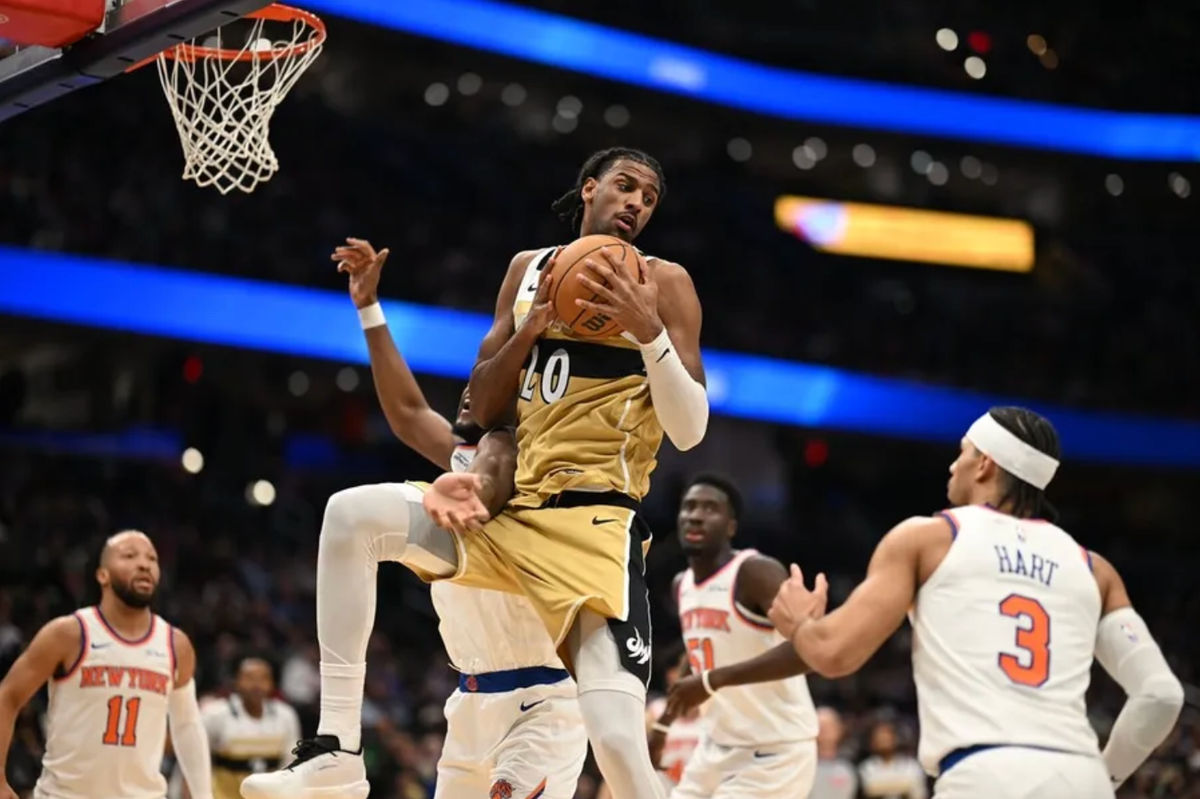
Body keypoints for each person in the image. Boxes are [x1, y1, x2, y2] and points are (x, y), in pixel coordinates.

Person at [242, 146, 707, 799]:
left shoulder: (667, 283)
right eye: (625, 186)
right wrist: (530, 331)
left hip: (595, 523)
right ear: (590, 189)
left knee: (622, 746)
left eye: (649, 198)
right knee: (350, 514)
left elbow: (689, 429)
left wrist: (649, 330)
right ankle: (339, 751)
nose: (635, 203)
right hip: (512, 517)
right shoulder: (525, 270)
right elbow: (477, 410)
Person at [769, 407, 1185, 798]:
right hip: (1081, 775)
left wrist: (798, 624)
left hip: (983, 772)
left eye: (962, 452)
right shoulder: (1094, 569)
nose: (953, 465)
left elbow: (834, 654)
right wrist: (1102, 777)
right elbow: (1161, 696)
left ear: (985, 463)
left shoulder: (929, 538)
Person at [0, 530, 213, 799]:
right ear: (102, 575)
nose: (144, 564)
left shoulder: (176, 644)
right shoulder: (69, 633)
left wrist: (204, 796)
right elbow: (7, 696)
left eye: (152, 558)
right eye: (129, 556)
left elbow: (187, 726)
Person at [652, 474, 818, 798]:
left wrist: (712, 681)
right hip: (715, 747)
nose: (696, 515)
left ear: (731, 526)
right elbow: (699, 654)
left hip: (776, 750)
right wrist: (663, 726)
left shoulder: (756, 573)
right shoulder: (681, 585)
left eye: (710, 508)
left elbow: (806, 652)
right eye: (689, 507)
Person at [197, 655, 301, 799]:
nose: (257, 684)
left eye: (263, 678)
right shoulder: (215, 714)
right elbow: (197, 762)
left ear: (272, 683)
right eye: (249, 678)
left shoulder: (286, 715)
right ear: (236, 681)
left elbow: (291, 766)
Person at [857, 720, 927, 799]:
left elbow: (919, 794)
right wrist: (905, 785)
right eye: (879, 737)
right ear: (872, 742)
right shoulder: (866, 767)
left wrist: (881, 786)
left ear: (895, 739)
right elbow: (869, 789)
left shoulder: (911, 766)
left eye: (886, 736)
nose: (883, 740)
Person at [809, 707, 857, 799]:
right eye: (820, 726)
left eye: (828, 725)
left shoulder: (851, 767)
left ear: (839, 729)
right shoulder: (801, 768)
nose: (824, 730)